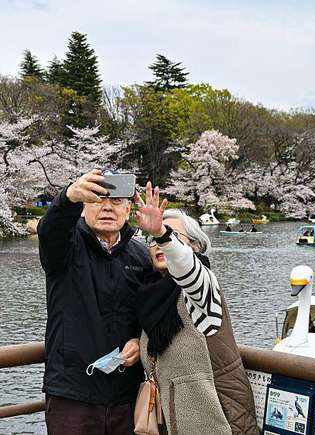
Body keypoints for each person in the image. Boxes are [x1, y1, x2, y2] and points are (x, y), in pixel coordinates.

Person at [134, 182, 257, 435]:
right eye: (152, 240)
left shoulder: (203, 287)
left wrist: (161, 233)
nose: (158, 244)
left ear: (195, 246)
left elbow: (187, 269)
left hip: (219, 421)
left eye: (171, 236)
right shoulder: (150, 297)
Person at [38, 169, 152, 435]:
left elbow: (153, 312)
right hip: (72, 393)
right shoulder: (65, 248)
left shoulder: (141, 256)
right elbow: (50, 231)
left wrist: (140, 339)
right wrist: (68, 197)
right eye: (98, 199)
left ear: (128, 209)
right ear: (83, 207)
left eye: (116, 201)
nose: (107, 208)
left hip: (126, 394)